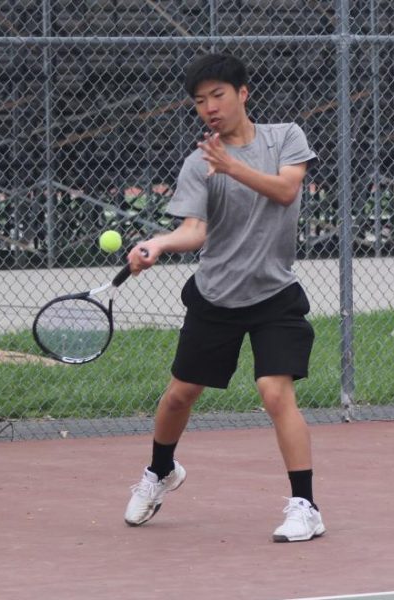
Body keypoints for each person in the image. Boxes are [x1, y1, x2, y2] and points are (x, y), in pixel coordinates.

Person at [122, 53, 324, 543]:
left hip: (275, 293)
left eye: (218, 95)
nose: (209, 107)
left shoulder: (285, 138)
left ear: (243, 94)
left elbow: (284, 192)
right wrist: (159, 244)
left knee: (275, 393)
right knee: (179, 396)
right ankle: (161, 472)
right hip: (215, 295)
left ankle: (306, 506)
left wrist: (231, 166)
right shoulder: (199, 163)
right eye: (199, 101)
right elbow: (194, 230)